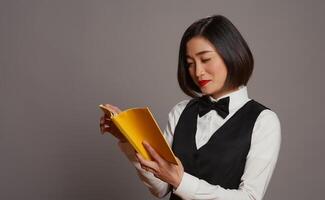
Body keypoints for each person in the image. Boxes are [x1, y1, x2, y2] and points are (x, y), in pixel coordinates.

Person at [99, 14, 281, 200]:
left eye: (206, 59)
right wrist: (129, 137)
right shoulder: (181, 111)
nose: (198, 72)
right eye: (190, 64)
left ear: (231, 53)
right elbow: (160, 188)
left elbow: (250, 197)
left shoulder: (264, 121)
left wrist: (181, 182)